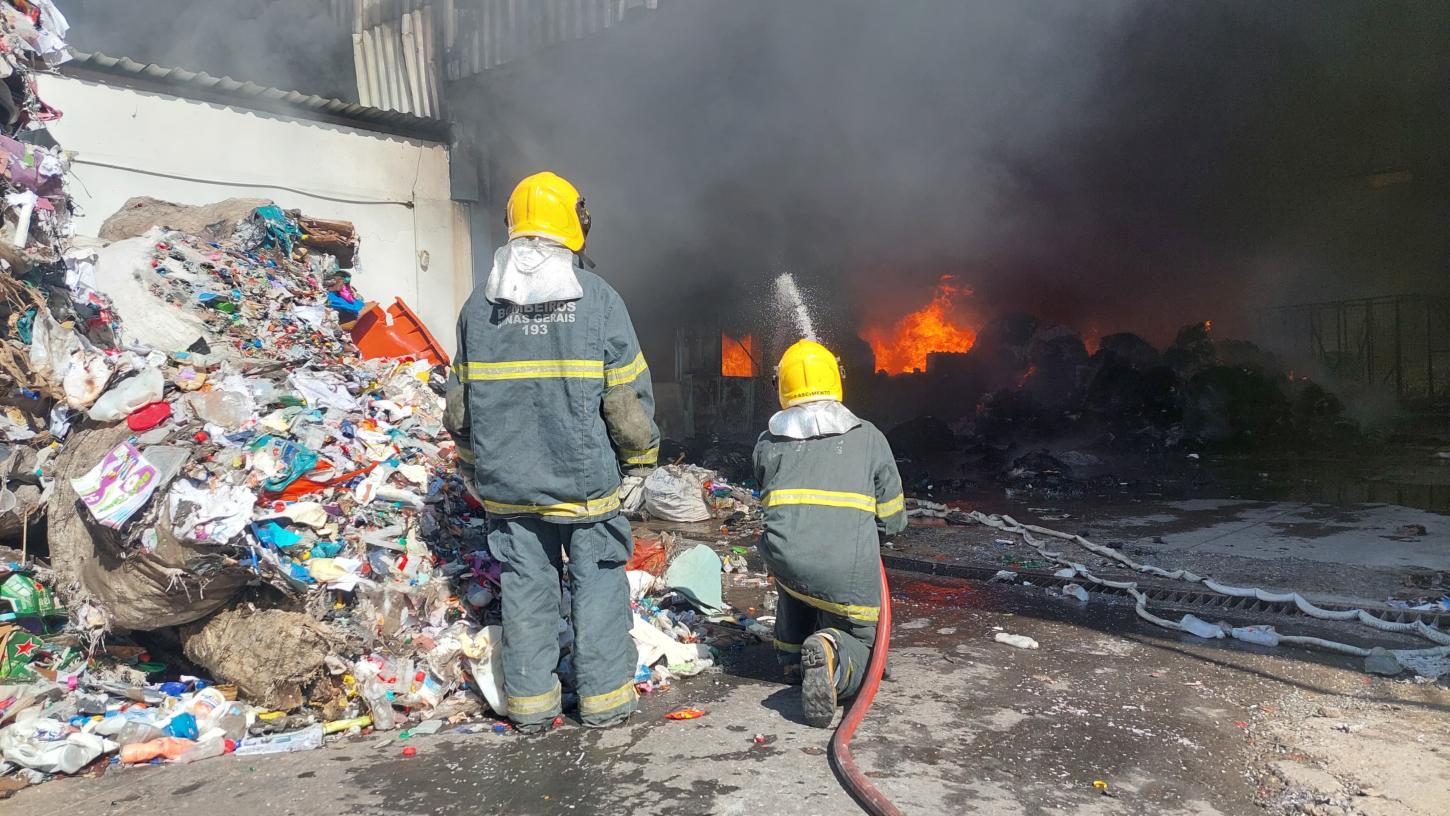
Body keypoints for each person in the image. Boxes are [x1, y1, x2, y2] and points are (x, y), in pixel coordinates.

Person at [445, 171, 659, 732]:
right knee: (598, 581)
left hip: (509, 483)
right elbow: (627, 399)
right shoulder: (599, 302)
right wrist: (640, 461)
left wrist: (471, 466)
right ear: (574, 226)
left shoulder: (477, 309)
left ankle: (532, 708)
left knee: (525, 587)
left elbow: (460, 407)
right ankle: (605, 702)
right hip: (584, 482)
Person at [753, 339, 906, 727]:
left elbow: (768, 498)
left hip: (784, 558)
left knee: (796, 573)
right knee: (869, 648)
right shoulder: (869, 436)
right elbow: (893, 518)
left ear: (781, 386)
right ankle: (833, 655)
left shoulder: (767, 443)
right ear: (836, 380)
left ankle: (790, 660)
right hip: (846, 568)